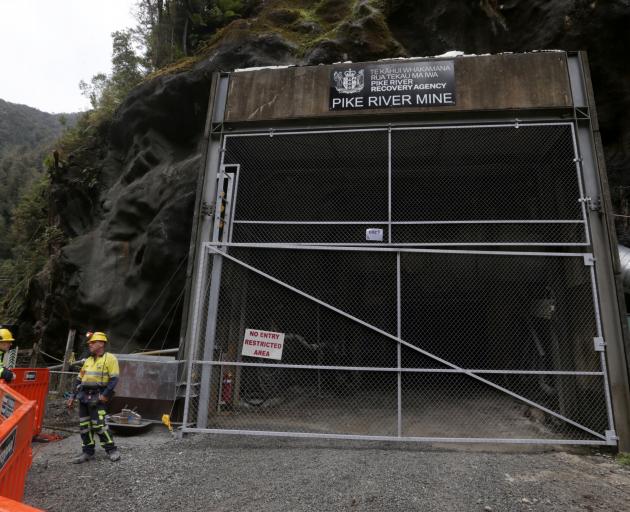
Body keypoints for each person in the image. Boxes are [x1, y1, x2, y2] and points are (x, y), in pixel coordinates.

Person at [66, 331, 121, 463]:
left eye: (92, 342)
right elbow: (79, 379)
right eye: (89, 343)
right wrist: (72, 396)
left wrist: (105, 395)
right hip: (84, 396)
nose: (89, 345)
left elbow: (114, 379)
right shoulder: (88, 361)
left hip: (98, 396)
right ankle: (87, 452)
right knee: (84, 426)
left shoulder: (110, 359)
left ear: (101, 343)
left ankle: (112, 449)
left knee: (99, 425)